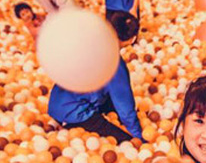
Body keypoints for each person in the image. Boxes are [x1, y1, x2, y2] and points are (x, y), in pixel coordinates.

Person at [47, 10, 142, 143]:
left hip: (56, 101)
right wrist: (139, 137)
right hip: (76, 111)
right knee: (126, 141)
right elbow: (125, 107)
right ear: (132, 39)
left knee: (109, 98)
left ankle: (57, 120)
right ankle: (69, 127)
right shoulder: (114, 64)